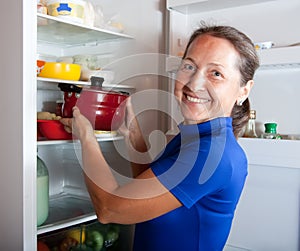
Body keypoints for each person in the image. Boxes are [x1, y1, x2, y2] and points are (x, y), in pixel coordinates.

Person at [60, 23, 259, 251]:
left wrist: (85, 135)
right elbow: (148, 192)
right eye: (189, 66)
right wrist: (133, 134)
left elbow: (109, 209)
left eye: (216, 73)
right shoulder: (194, 137)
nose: (194, 84)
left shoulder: (212, 154)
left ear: (244, 90)